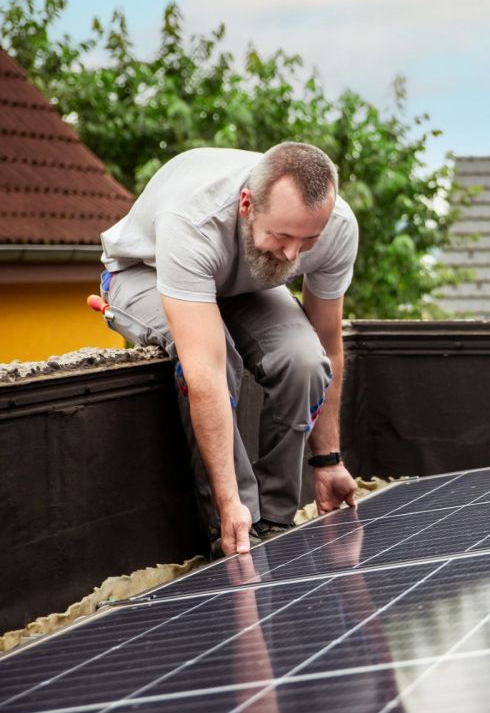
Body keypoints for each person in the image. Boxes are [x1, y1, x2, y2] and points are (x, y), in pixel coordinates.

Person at [98, 143, 360, 559]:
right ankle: (235, 527)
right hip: (145, 273)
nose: (293, 254)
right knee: (220, 358)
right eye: (283, 235)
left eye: (307, 240)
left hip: (245, 282)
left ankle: (275, 520)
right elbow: (205, 371)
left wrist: (328, 462)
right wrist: (228, 503)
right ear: (246, 204)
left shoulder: (337, 227)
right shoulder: (194, 219)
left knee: (304, 360)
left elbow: (328, 345)